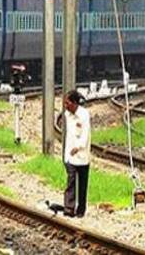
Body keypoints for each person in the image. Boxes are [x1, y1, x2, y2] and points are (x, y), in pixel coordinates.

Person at [63, 90, 91, 218]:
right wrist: (69, 152)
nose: (65, 105)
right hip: (70, 155)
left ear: (74, 103)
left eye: (67, 103)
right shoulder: (67, 115)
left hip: (82, 154)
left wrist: (78, 147)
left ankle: (81, 209)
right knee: (71, 180)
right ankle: (69, 208)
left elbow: (85, 135)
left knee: (82, 184)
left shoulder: (84, 115)